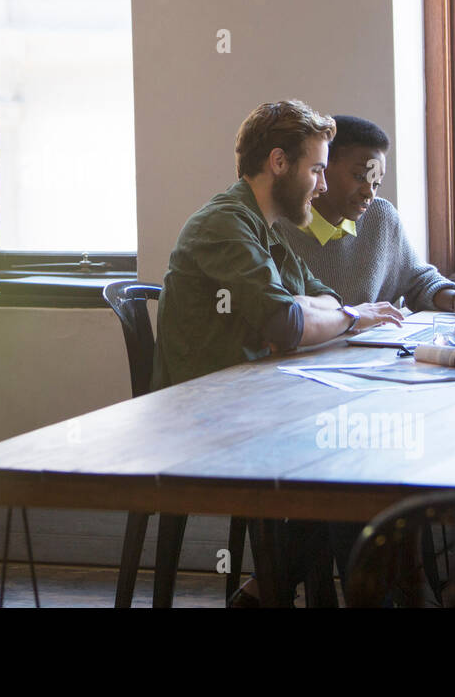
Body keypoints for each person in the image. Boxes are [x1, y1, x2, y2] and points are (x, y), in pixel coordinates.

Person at [150, 100, 403, 605]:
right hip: (202, 421)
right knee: (346, 463)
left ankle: (269, 591)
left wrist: (326, 312)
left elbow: (321, 297)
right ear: (279, 163)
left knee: (349, 459)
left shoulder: (264, 227)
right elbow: (290, 323)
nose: (324, 185)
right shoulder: (225, 225)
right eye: (316, 169)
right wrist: (350, 317)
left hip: (250, 402)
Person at [279, 115, 455, 313]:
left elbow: (419, 281)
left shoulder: (381, 216)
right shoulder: (277, 227)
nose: (369, 191)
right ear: (322, 168)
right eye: (360, 177)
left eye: (376, 182)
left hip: (372, 343)